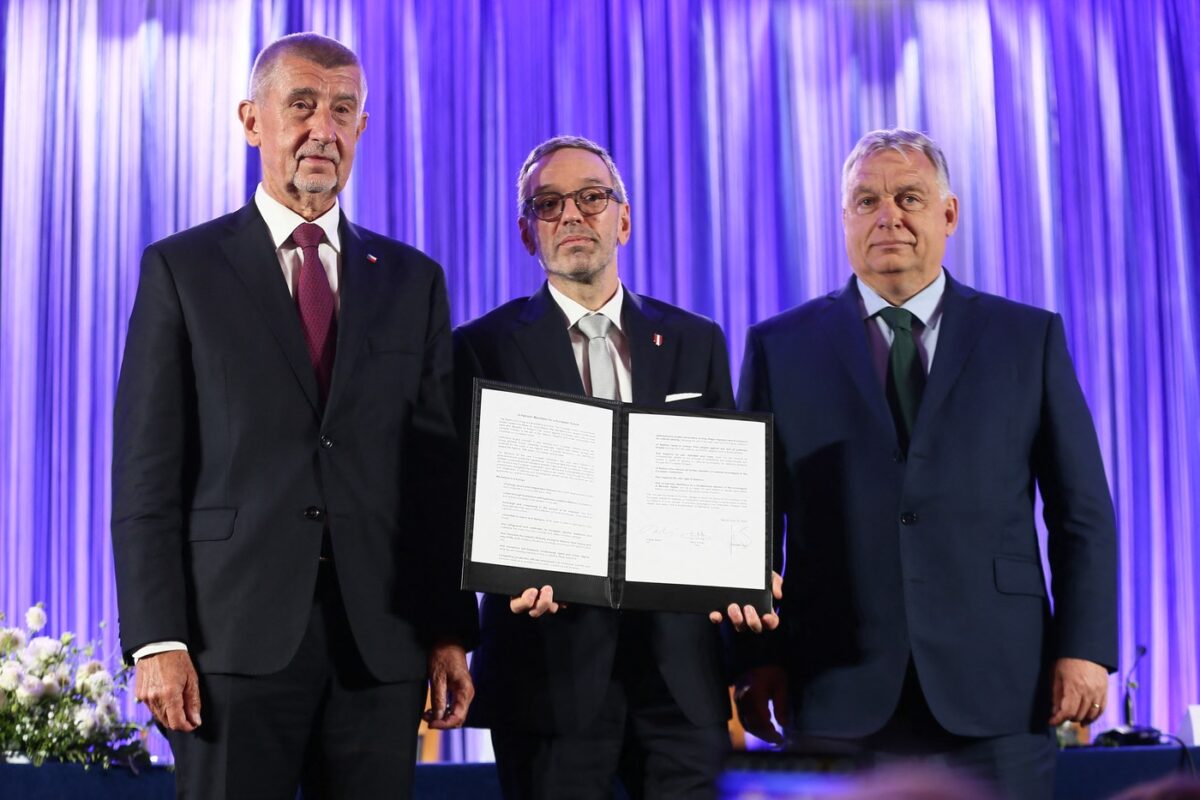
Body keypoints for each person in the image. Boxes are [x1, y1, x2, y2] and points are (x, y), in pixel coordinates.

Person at [111, 32, 477, 799]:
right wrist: (156, 639)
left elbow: (439, 474)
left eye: (344, 110)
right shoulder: (182, 269)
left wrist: (448, 630)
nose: (324, 129)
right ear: (253, 121)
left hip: (381, 646)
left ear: (363, 129)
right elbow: (147, 473)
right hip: (227, 643)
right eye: (301, 105)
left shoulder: (414, 282)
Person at [734, 128, 1117, 800]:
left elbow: (1080, 507)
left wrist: (1084, 647)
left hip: (999, 686)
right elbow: (751, 524)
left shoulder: (1028, 338)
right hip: (834, 684)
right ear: (843, 218)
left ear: (949, 213)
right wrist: (755, 658)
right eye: (865, 201)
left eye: (909, 197)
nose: (889, 217)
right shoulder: (779, 347)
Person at [455, 135, 778, 799]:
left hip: (680, 680)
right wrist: (502, 568)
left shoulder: (696, 340)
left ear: (623, 219)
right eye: (549, 204)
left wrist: (743, 572)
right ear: (527, 233)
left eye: (591, 198)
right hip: (546, 677)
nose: (572, 215)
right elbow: (457, 500)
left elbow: (728, 490)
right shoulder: (480, 348)